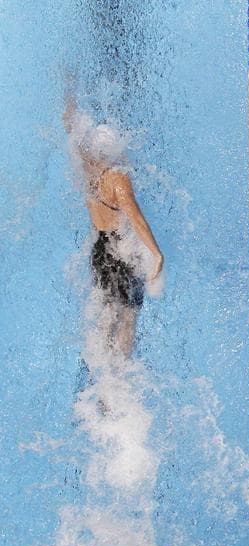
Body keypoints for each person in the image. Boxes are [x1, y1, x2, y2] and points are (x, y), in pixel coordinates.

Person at [64, 80, 163, 359]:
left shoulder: (87, 169)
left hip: (100, 250)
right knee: (128, 318)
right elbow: (136, 218)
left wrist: (67, 90)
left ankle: (102, 379)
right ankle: (118, 380)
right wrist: (156, 254)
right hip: (120, 253)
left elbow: (70, 125)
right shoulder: (117, 179)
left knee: (108, 316)